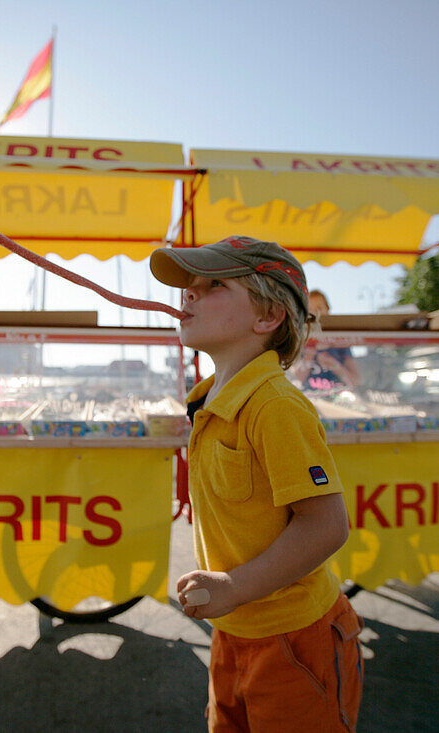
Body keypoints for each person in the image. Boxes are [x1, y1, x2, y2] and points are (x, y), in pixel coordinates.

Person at [149, 236, 364, 731]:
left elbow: (327, 526)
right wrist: (230, 592)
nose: (189, 294)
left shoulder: (274, 406)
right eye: (189, 287)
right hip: (234, 626)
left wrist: (235, 584)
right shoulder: (208, 400)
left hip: (295, 638)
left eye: (213, 285)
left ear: (267, 318)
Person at [291, 289, 361, 390]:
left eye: (319, 308)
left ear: (327, 310)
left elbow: (356, 381)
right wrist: (309, 355)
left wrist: (335, 366)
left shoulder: (340, 344)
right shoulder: (300, 343)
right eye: (310, 309)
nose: (315, 314)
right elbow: (295, 381)